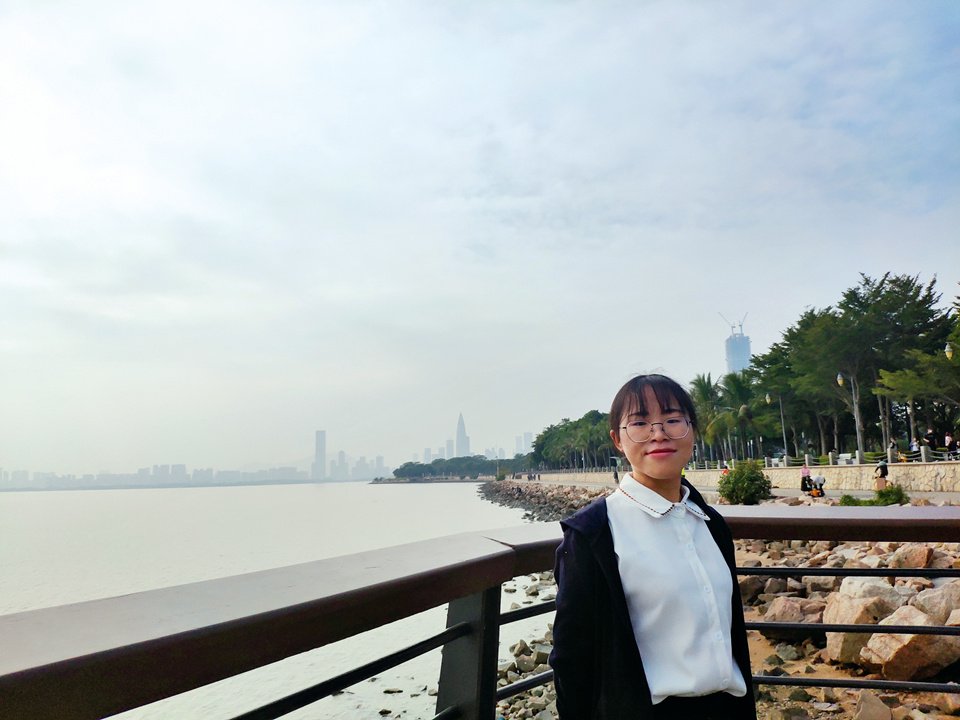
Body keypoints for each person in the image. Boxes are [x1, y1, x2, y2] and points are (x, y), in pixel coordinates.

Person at [549, 374, 756, 719]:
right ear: (618, 439)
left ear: (692, 430)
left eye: (673, 420)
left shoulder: (708, 522)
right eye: (640, 423)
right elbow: (572, 656)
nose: (658, 433)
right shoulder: (595, 532)